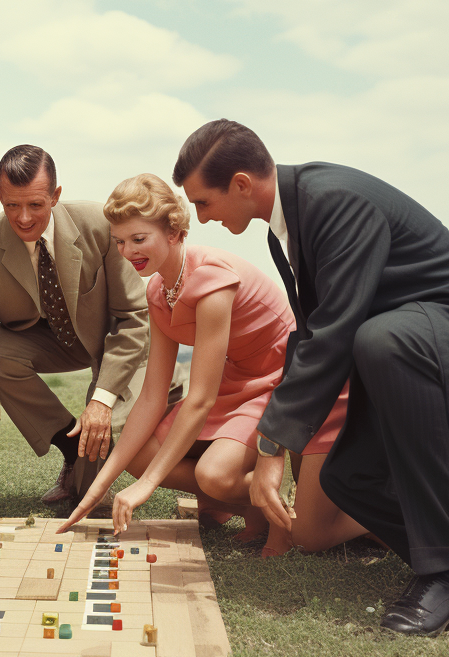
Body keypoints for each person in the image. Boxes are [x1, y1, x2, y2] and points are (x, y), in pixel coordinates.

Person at [173, 118, 449, 634]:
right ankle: (427, 542)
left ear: (242, 185)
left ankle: (447, 574)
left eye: (203, 203)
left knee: (378, 339)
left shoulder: (334, 201)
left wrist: (271, 450)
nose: (201, 219)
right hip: (403, 343)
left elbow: (335, 333)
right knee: (348, 480)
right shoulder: (287, 227)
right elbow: (310, 333)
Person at [60, 173, 363, 557]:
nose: (127, 251)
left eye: (139, 239)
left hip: (279, 380)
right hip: (232, 379)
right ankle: (252, 507)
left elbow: (200, 398)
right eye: (119, 241)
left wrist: (147, 486)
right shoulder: (157, 290)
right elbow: (153, 394)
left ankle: (273, 506)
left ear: (172, 232)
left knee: (214, 474)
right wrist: (99, 488)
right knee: (137, 454)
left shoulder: (211, 279)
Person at [0, 145, 160, 504]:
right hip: (50, 343)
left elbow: (133, 317)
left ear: (56, 196)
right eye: (12, 205)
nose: (23, 218)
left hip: (117, 343)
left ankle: (100, 451)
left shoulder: (101, 224)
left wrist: (102, 399)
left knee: (89, 495)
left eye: (36, 205)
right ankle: (70, 448)